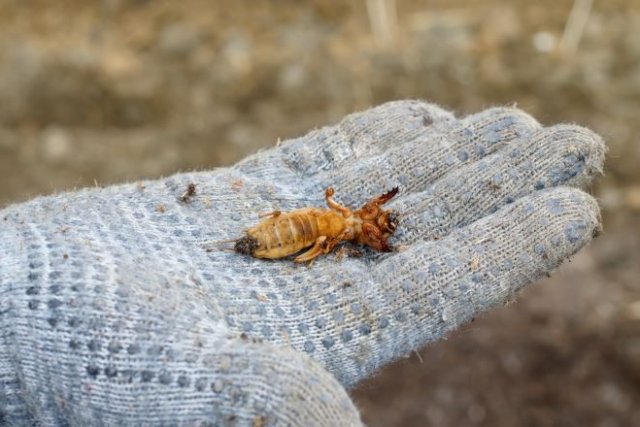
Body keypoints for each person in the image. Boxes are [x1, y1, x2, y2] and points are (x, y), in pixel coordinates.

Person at [0, 100, 605, 426]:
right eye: (376, 221)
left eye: (375, 227)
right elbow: (348, 222)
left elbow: (352, 221)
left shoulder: (347, 223)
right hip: (292, 234)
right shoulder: (345, 225)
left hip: (305, 232)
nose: (378, 226)